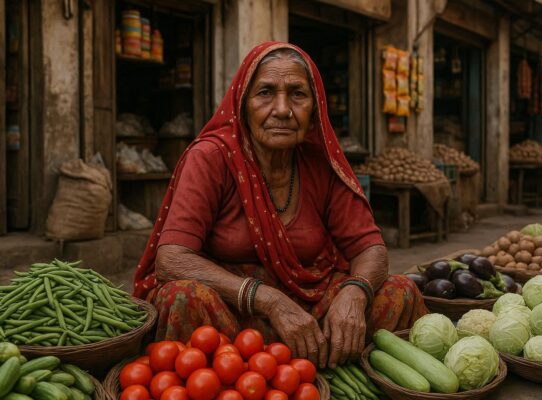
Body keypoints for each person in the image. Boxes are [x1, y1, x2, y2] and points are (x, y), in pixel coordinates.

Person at [133, 42, 427, 369]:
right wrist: (269, 300)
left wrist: (355, 293)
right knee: (182, 297)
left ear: (315, 108)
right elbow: (172, 258)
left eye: (298, 94)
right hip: (235, 315)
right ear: (242, 104)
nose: (283, 109)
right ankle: (237, 381)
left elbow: (371, 248)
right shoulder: (211, 158)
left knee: (401, 290)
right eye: (266, 93)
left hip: (312, 310)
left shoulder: (320, 165)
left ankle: (339, 376)